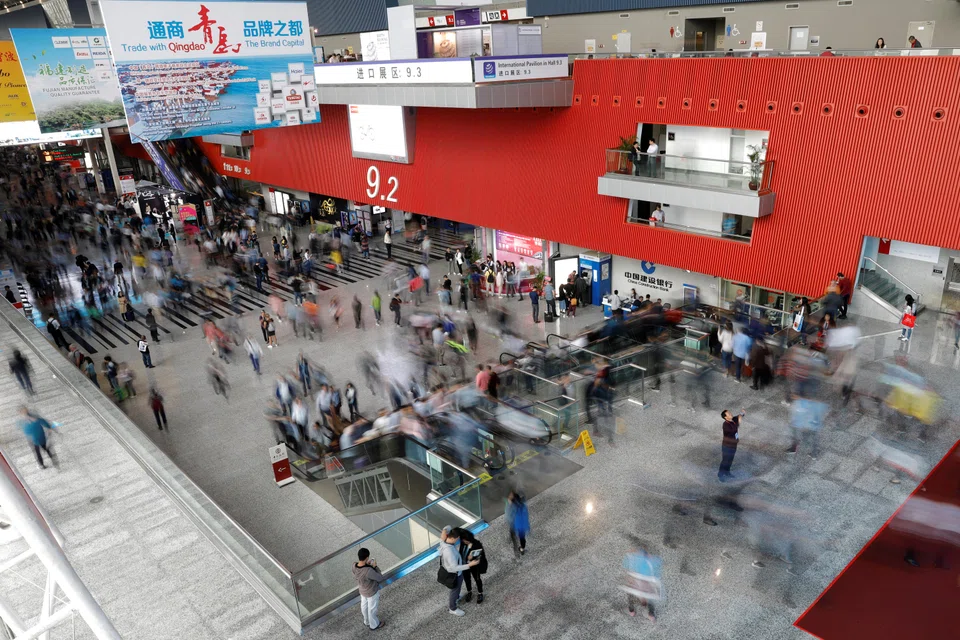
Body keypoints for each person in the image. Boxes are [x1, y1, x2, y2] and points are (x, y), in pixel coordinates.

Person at [440, 527, 480, 616]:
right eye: (458, 538)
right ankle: (452, 608)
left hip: (456, 572)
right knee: (454, 590)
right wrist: (469, 565)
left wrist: (444, 530)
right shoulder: (449, 552)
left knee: (457, 589)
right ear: (454, 538)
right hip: (454, 574)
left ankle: (457, 596)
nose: (459, 540)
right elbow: (453, 568)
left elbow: (447, 527)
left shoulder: (444, 541)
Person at [352, 548, 386, 630]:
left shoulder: (353, 565)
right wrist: (375, 567)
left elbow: (361, 570)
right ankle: (374, 625)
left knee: (364, 606)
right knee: (372, 609)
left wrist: (366, 564)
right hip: (371, 592)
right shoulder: (368, 571)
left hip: (362, 590)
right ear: (367, 558)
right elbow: (380, 578)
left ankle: (366, 621)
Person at [459, 529, 487, 604]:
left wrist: (472, 558)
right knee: (467, 579)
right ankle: (469, 591)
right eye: (464, 540)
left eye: (466, 541)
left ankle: (480, 593)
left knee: (477, 579)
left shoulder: (477, 544)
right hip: (464, 565)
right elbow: (461, 552)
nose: (465, 542)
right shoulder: (463, 543)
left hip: (474, 566)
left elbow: (481, 555)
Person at [719, 409, 744, 481]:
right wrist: (738, 422)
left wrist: (742, 413)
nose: (730, 414)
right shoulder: (726, 425)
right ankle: (721, 475)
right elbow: (734, 428)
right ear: (726, 418)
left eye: (730, 412)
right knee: (725, 461)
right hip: (727, 447)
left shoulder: (733, 419)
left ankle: (727, 472)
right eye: (728, 414)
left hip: (733, 445)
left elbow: (739, 416)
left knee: (730, 460)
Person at [506, 490, 530, 559]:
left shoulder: (512, 507)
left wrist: (509, 504)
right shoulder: (522, 504)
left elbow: (510, 516)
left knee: (513, 534)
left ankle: (515, 548)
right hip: (523, 524)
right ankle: (522, 548)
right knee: (522, 538)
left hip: (516, 524)